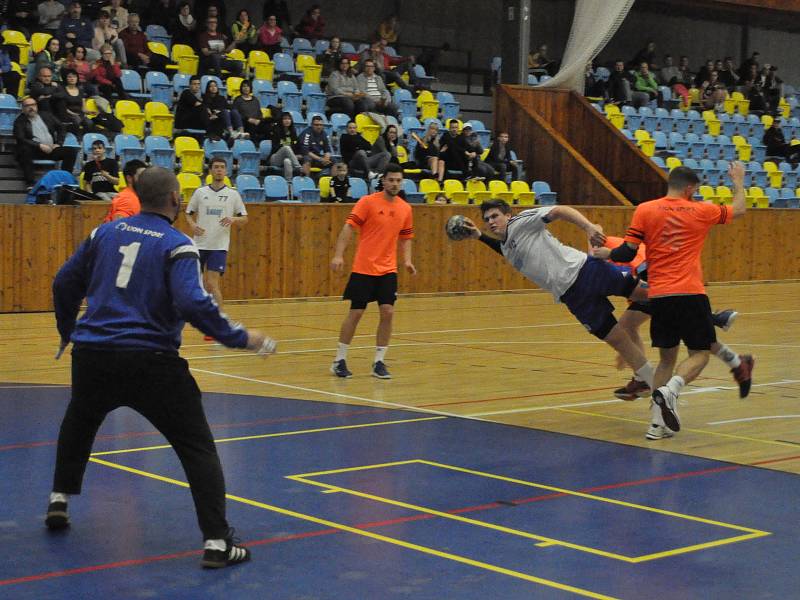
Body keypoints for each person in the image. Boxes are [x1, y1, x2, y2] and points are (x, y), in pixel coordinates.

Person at [48, 166, 274, 569]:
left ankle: (59, 500)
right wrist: (241, 337)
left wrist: (69, 331)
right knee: (197, 446)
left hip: (94, 356)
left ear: (136, 195)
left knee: (79, 420)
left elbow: (64, 281)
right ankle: (218, 542)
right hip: (152, 362)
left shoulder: (104, 233)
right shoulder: (178, 245)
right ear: (175, 200)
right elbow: (192, 303)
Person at [594, 163, 748, 439]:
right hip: (690, 292)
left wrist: (605, 254)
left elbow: (627, 253)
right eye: (695, 190)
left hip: (659, 296)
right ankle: (672, 390)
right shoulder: (701, 210)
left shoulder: (645, 209)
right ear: (690, 189)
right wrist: (738, 181)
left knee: (666, 361)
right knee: (700, 353)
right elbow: (739, 210)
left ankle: (656, 425)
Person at [456, 200, 659, 404]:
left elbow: (560, 210)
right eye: (486, 219)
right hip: (572, 297)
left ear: (508, 215)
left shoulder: (521, 222)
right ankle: (650, 384)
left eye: (495, 216)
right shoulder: (507, 246)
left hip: (585, 271)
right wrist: (479, 236)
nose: (491, 222)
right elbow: (503, 248)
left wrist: (588, 227)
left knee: (646, 294)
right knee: (618, 340)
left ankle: (686, 304)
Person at [589, 235, 753, 412]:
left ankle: (721, 336)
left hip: (663, 286)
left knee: (690, 335)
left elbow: (597, 231)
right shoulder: (596, 263)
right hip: (652, 289)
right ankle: (735, 359)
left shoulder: (614, 252)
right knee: (631, 326)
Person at [330, 163, 415, 379]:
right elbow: (349, 228)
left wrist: (407, 261)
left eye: (398, 180)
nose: (395, 184)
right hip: (364, 268)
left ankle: (379, 362)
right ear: (383, 181)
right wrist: (339, 255)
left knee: (388, 312)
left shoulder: (405, 208)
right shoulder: (367, 202)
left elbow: (406, 238)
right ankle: (339, 359)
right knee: (356, 313)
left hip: (388, 270)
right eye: (391, 180)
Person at [184, 158, 248, 330]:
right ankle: (199, 314)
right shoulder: (200, 193)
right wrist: (192, 225)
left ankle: (221, 319)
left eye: (222, 167)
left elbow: (245, 218)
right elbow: (188, 213)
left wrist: (233, 219)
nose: (219, 170)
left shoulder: (233, 194)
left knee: (212, 283)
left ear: (226, 171)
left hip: (219, 245)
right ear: (210, 171)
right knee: (198, 283)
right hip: (199, 244)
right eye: (216, 167)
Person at [13, 97, 80, 188]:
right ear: (23, 108)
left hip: (51, 149)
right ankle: (30, 182)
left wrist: (58, 143)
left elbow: (61, 127)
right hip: (34, 151)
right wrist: (39, 145)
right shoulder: (19, 121)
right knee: (24, 150)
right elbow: (20, 138)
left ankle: (64, 179)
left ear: (36, 106)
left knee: (71, 151)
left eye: (33, 105)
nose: (31, 108)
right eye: (27, 106)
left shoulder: (46, 115)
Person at [268, 111, 302, 182]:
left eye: (289, 119)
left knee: (287, 161)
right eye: (285, 119)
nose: (287, 121)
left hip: (287, 158)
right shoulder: (276, 131)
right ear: (281, 120)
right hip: (275, 158)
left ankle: (289, 183)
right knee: (286, 147)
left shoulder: (293, 133)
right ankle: (298, 167)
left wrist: (298, 155)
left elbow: (297, 147)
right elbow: (275, 147)